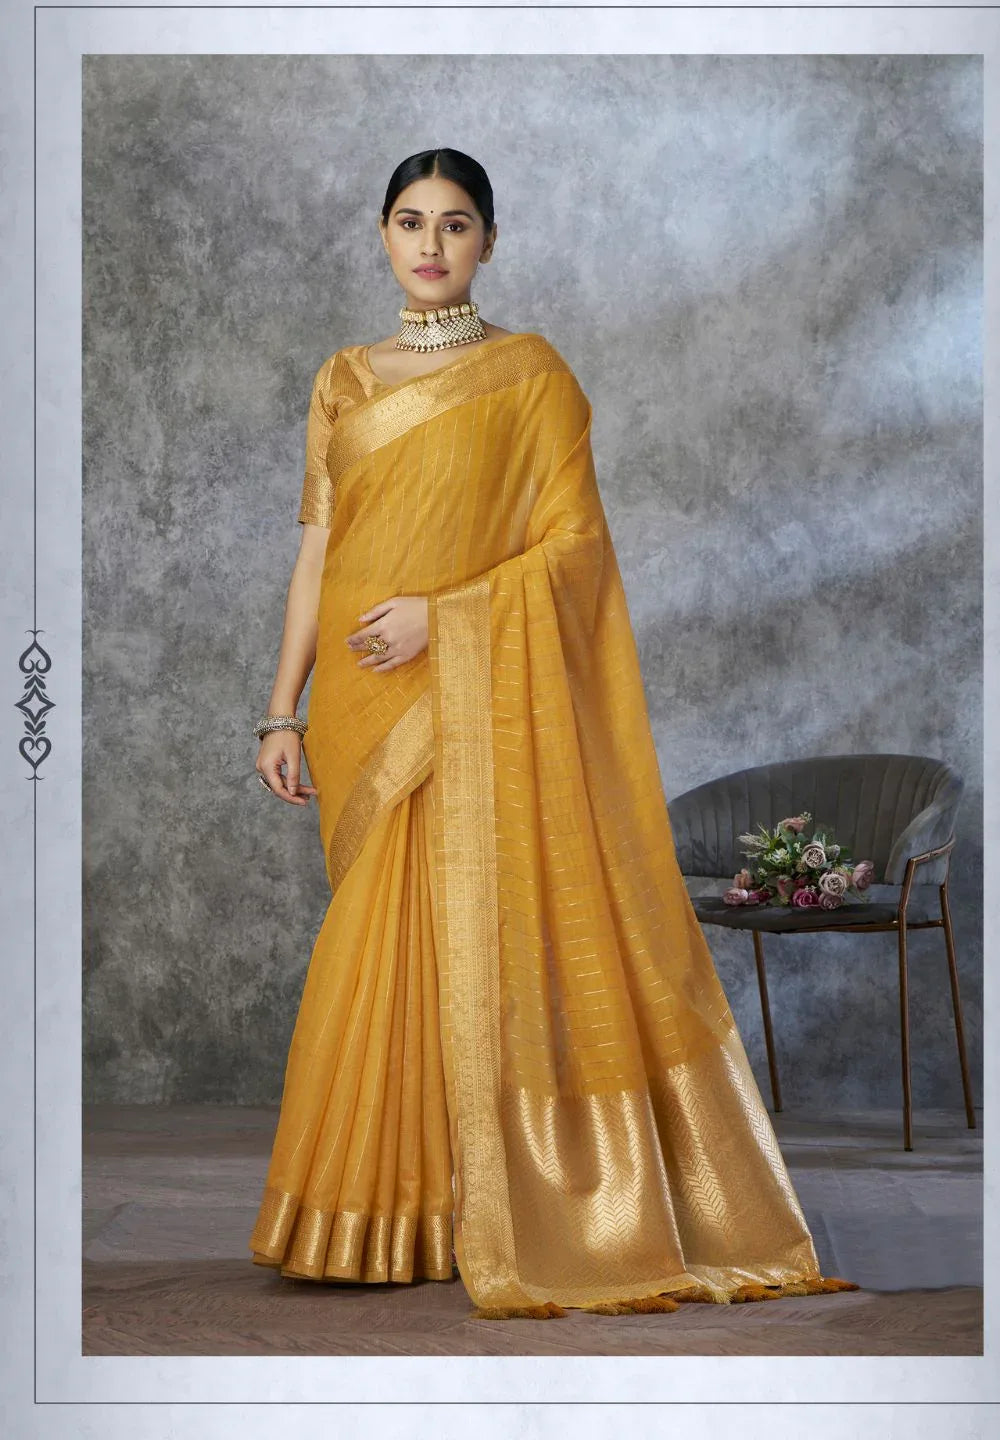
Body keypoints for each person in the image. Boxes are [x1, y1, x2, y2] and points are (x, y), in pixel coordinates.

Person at [247, 147, 857, 1320]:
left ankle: (483, 1207)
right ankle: (386, 1215)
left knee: (473, 938)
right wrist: (284, 707)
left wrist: (445, 618)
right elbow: (316, 554)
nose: (431, 244)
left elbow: (575, 553)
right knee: (387, 948)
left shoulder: (531, 376)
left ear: (489, 240)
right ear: (382, 234)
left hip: (467, 690)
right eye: (410, 221)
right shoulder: (341, 380)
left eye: (455, 224)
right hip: (363, 707)